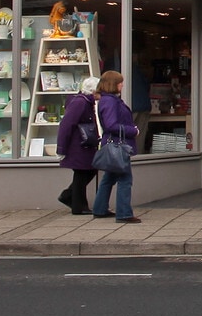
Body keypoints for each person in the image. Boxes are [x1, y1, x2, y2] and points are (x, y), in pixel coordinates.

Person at [92, 70, 141, 224]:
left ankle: (99, 209)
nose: (122, 84)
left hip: (113, 143)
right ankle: (124, 213)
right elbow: (111, 125)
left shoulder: (107, 100)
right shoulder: (110, 101)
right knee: (125, 179)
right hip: (118, 144)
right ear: (114, 84)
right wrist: (133, 131)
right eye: (120, 82)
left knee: (110, 177)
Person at [55, 73, 101, 215]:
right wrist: (61, 148)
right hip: (78, 145)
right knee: (82, 173)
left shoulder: (85, 102)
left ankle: (72, 198)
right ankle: (78, 205)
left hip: (82, 144)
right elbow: (66, 124)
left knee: (87, 171)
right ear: (93, 91)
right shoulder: (80, 103)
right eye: (100, 91)